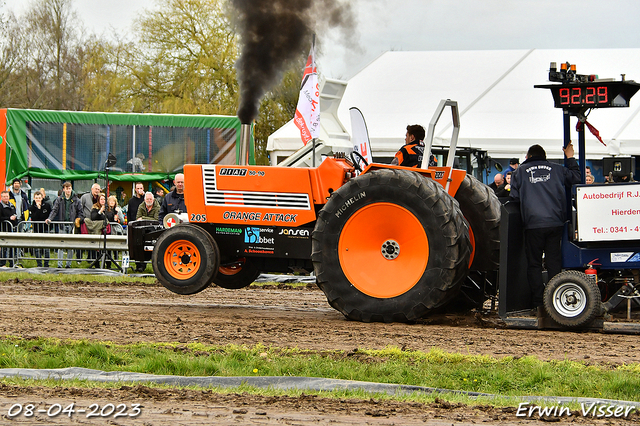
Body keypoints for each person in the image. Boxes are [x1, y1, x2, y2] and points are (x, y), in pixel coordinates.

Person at [510, 143, 581, 316]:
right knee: (553, 262)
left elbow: (514, 199)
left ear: (528, 156)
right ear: (544, 156)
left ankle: (538, 303)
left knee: (534, 263)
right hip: (555, 222)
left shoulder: (518, 172)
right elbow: (577, 179)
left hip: (533, 224)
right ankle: (554, 301)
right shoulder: (557, 169)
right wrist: (570, 157)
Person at [46, 182, 79, 268]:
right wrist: (50, 218)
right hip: (62, 224)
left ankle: (68, 264)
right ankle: (59, 265)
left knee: (70, 246)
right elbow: (55, 210)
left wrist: (78, 219)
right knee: (61, 245)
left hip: (72, 225)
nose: (68, 190)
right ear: (63, 189)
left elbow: (80, 212)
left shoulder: (76, 199)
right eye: (66, 188)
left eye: (69, 188)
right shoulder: (59, 199)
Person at [28, 190, 52, 267]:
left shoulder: (47, 206)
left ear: (42, 198)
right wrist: (38, 209)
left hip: (45, 229)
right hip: (36, 229)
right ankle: (39, 264)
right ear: (34, 198)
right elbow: (34, 218)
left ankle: (46, 264)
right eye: (36, 198)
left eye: (39, 197)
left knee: (46, 248)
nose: (38, 199)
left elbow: (47, 216)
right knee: (37, 248)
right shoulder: (31, 207)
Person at [0, 190, 19, 267]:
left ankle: (12, 262)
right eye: (4, 196)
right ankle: (2, 263)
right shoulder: (0, 206)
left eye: (7, 196)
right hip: (3, 229)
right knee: (3, 247)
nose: (6, 198)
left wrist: (15, 219)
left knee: (12, 247)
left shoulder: (11, 205)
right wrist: (9, 218)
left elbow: (15, 214)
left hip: (12, 229)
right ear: (1, 197)